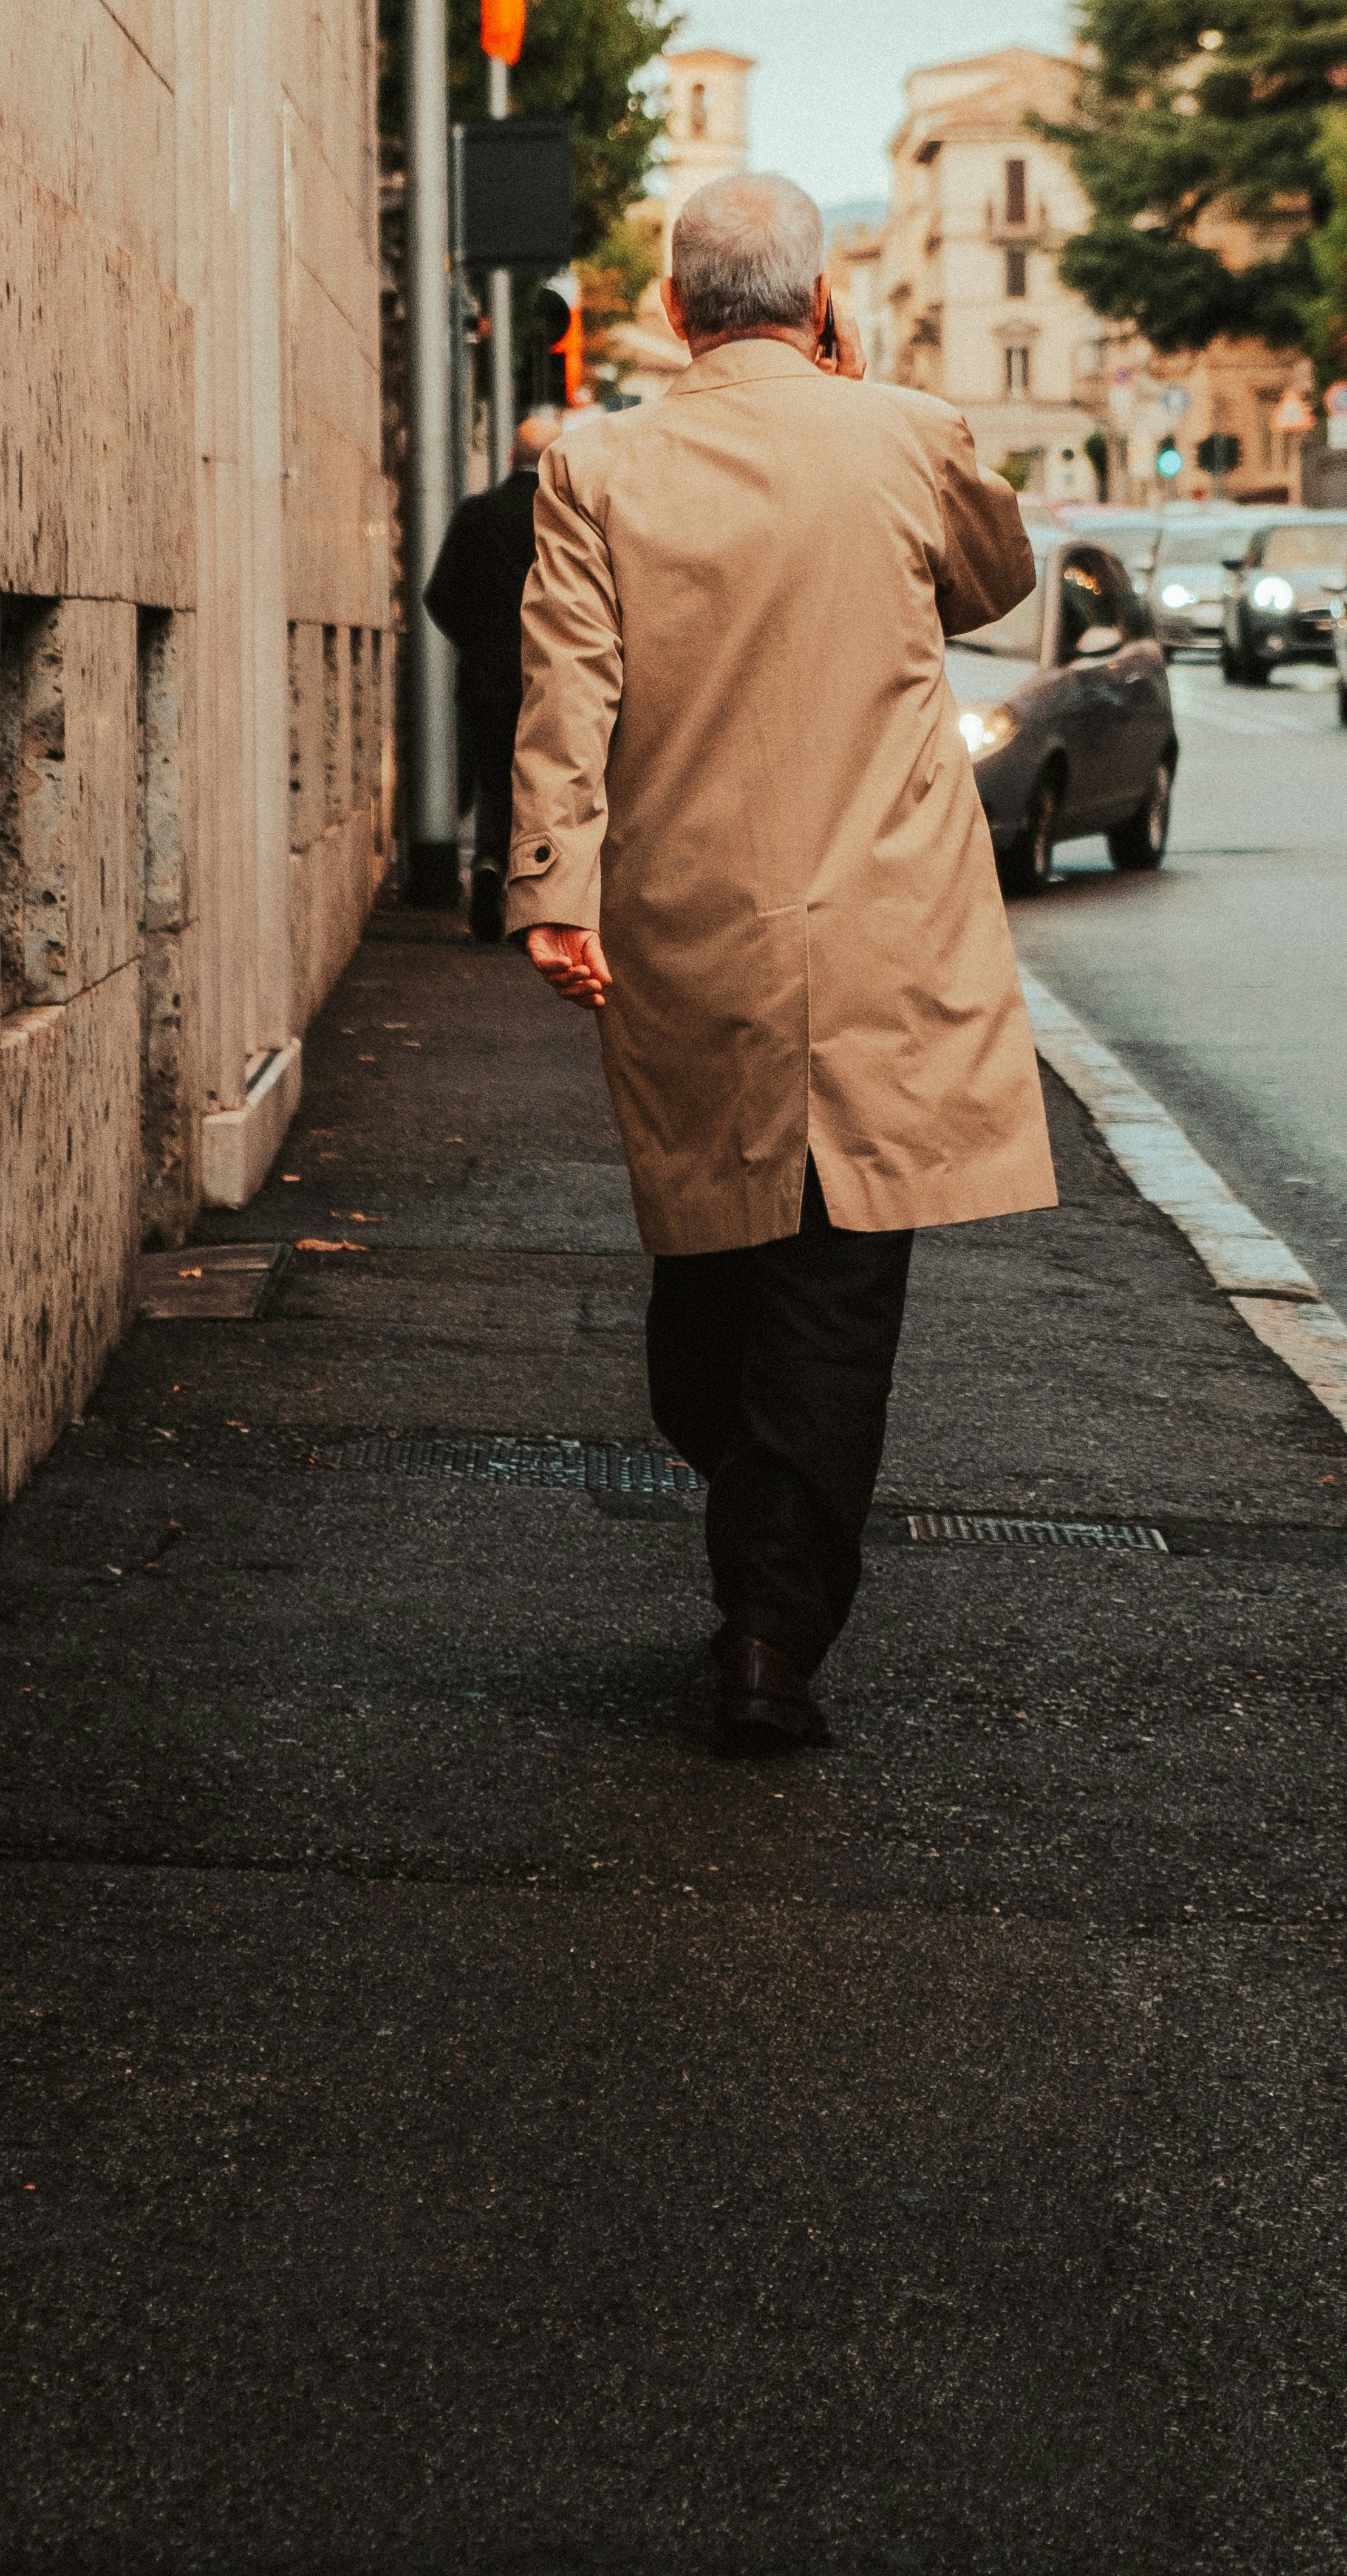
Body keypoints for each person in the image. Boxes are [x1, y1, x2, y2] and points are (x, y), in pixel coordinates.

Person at [505, 171, 1055, 1749]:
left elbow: (570, 693)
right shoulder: (903, 432)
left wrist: (556, 886)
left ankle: (760, 1614)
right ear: (821, 307)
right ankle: (771, 1617)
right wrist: (862, 382)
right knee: (830, 1298)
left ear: (672, 312)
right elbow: (992, 581)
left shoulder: (602, 465)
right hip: (885, 941)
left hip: (695, 935)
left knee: (717, 1270)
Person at [423, 406, 564, 941]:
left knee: (494, 777)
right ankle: (535, 899)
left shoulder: (476, 514)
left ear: (511, 457)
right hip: (550, 677)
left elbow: (439, 594)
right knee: (545, 782)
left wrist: (477, 643)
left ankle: (486, 862)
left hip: (486, 677)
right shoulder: (566, 518)